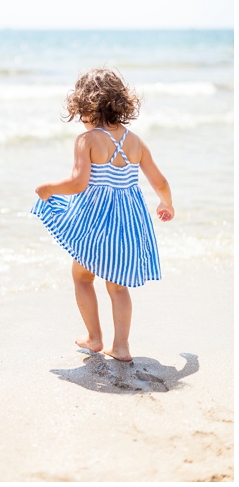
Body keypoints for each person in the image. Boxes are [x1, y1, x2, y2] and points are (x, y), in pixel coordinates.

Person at [32, 69, 174, 363]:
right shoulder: (135, 142)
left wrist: (47, 188)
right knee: (118, 285)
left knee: (82, 276)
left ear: (87, 107)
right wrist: (166, 204)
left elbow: (77, 183)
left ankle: (94, 337)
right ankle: (121, 346)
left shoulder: (88, 140)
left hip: (95, 222)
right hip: (127, 223)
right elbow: (159, 182)